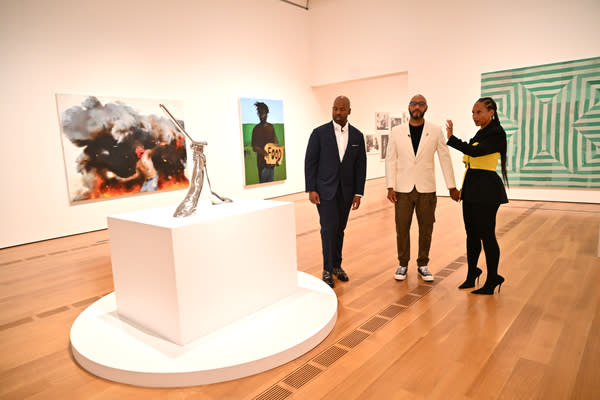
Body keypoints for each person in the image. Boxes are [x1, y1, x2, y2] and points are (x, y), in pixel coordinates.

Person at [385, 94, 460, 282]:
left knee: (426, 228)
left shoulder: (435, 131)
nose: (416, 107)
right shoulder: (397, 131)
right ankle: (402, 264)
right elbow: (391, 159)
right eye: (413, 103)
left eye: (420, 104)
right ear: (408, 107)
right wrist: (390, 186)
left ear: (426, 108)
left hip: (427, 189)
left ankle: (423, 264)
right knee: (402, 228)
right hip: (402, 189)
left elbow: (444, 157)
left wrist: (451, 186)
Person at [446, 97, 509, 295]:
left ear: (492, 112)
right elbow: (472, 159)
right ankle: (472, 273)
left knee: (487, 235)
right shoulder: (481, 132)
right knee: (471, 235)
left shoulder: (496, 132)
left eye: (479, 112)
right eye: (473, 113)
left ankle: (492, 279)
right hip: (472, 189)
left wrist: (452, 139)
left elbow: (477, 152)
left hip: (487, 191)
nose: (475, 116)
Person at [304, 95, 367, 288]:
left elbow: (360, 167)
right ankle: (326, 269)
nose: (338, 112)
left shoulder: (357, 136)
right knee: (328, 229)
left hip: (346, 193)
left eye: (342, 109)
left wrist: (358, 193)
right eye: (335, 109)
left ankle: (337, 266)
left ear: (349, 110)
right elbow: (310, 162)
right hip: (325, 191)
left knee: (340, 229)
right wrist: (311, 188)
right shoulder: (319, 133)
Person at [251, 102, 278, 183]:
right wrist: (266, 154)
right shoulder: (256, 129)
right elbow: (254, 147)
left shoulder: (271, 127)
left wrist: (275, 159)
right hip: (262, 165)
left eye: (262, 113)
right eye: (259, 113)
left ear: (267, 113)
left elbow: (275, 143)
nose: (261, 116)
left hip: (272, 164)